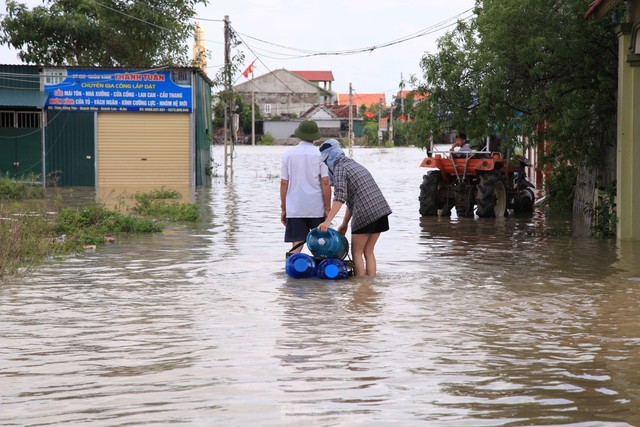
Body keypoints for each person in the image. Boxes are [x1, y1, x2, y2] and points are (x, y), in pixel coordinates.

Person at [316, 139, 392, 277]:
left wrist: (328, 221)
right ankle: (370, 288)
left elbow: (340, 198)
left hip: (365, 214)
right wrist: (344, 224)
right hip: (381, 211)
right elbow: (353, 199)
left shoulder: (339, 168)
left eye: (326, 160)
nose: (326, 164)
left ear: (331, 157)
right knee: (368, 252)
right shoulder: (352, 164)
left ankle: (360, 288)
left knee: (356, 252)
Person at [281, 120, 331, 254]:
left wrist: (284, 208)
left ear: (299, 135)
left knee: (296, 245)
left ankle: (291, 270)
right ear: (315, 136)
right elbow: (325, 182)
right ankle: (322, 272)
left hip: (295, 207)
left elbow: (284, 183)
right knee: (322, 244)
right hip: (316, 207)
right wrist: (328, 208)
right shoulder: (321, 155)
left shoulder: (288, 155)